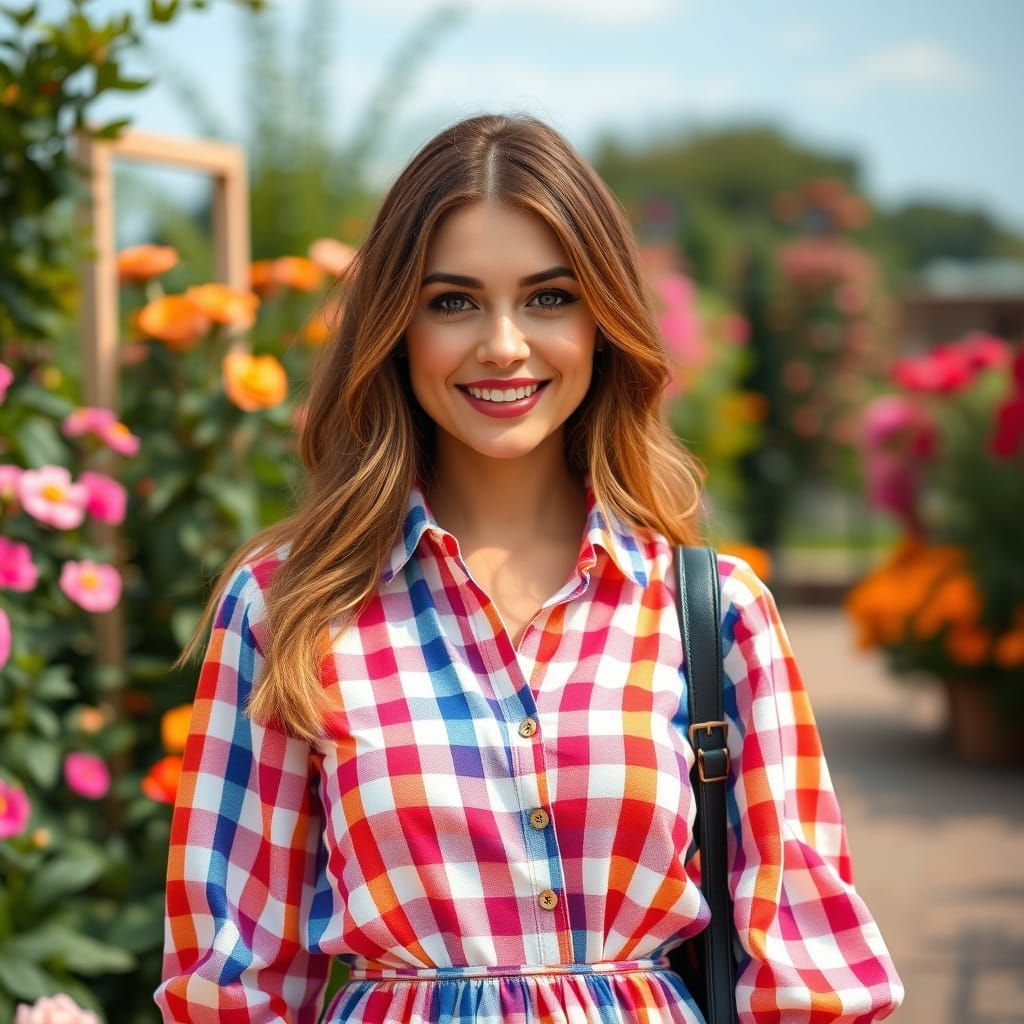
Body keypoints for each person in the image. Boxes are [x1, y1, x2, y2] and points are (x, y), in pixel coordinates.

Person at [154, 113, 903, 1023]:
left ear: (603, 322)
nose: (504, 344)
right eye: (453, 302)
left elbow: (808, 970)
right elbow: (232, 980)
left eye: (549, 298)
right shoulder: (288, 606)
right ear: (395, 328)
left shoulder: (713, 613)